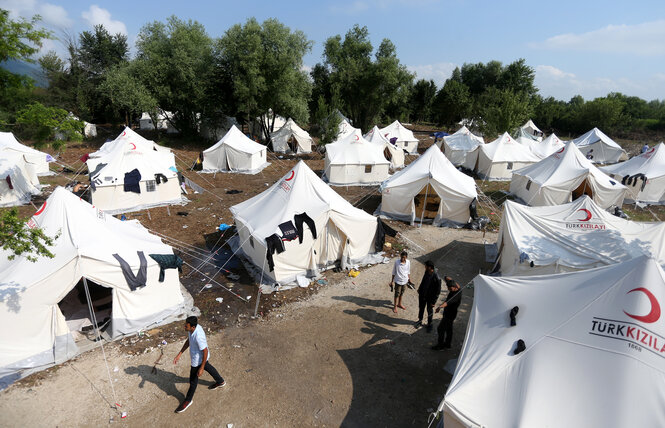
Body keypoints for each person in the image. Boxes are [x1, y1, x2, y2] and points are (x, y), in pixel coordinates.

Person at [173, 316, 225, 413]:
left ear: (193, 327)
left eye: (186, 326)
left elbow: (205, 351)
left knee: (193, 380)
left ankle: (188, 400)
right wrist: (179, 354)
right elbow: (189, 341)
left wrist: (201, 367)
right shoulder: (192, 330)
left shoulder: (198, 336)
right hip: (198, 358)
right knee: (208, 367)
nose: (184, 327)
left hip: (198, 360)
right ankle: (220, 381)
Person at [432, 277, 462, 350]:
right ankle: (448, 344)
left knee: (440, 329)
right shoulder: (459, 289)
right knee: (449, 329)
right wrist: (447, 278)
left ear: (454, 287)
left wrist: (439, 307)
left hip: (449, 315)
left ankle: (440, 345)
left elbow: (446, 303)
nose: (449, 290)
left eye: (450, 289)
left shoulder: (455, 296)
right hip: (451, 314)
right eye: (448, 288)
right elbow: (455, 283)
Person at [415, 260, 441, 332]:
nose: (425, 267)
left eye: (426, 266)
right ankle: (420, 320)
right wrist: (420, 288)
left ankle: (429, 324)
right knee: (421, 308)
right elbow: (423, 281)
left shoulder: (436, 277)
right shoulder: (426, 272)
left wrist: (434, 301)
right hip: (423, 294)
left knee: (429, 311)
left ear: (430, 267)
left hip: (430, 298)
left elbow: (438, 291)